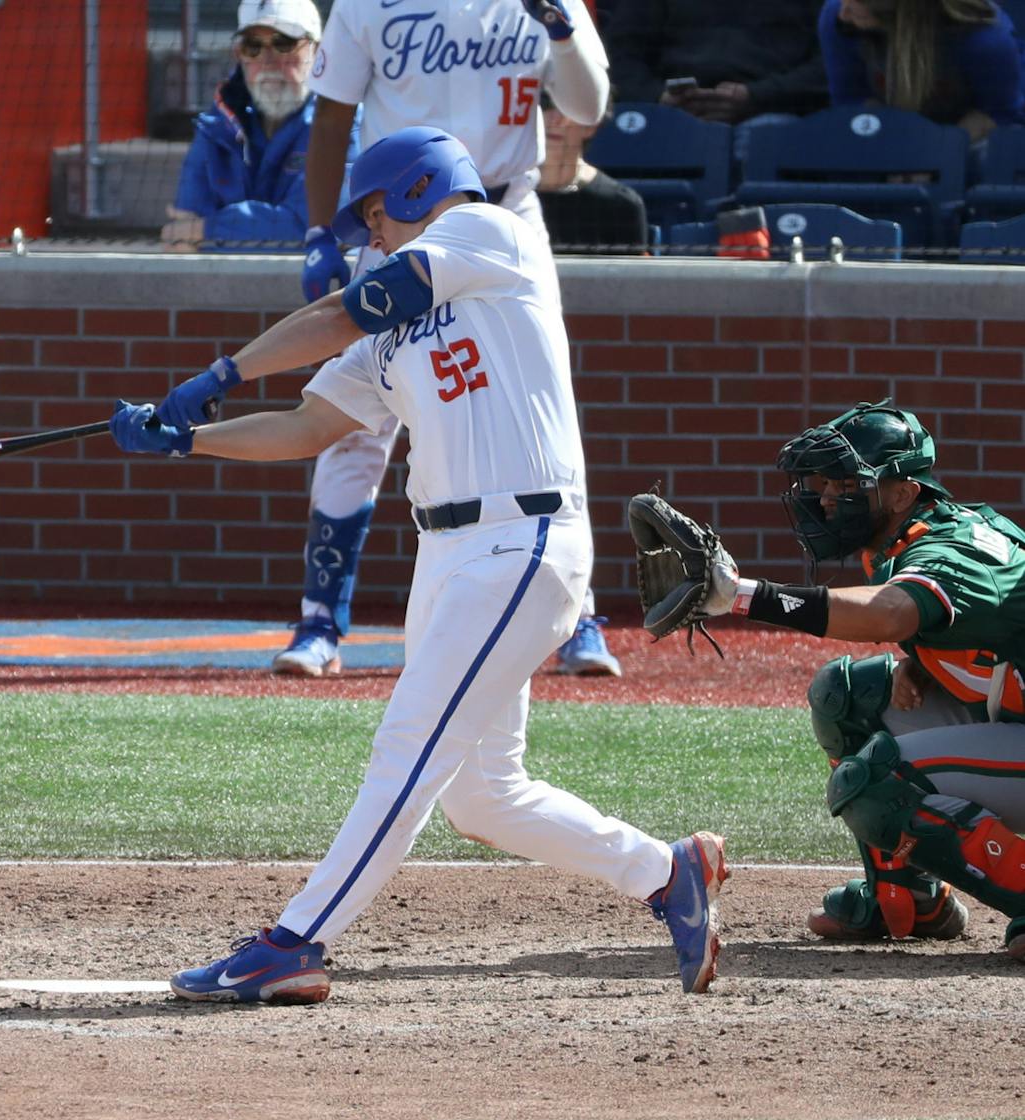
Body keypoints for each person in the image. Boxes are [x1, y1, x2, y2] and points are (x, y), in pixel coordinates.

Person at [112, 127, 728, 1002]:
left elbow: (337, 314)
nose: (370, 235)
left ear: (415, 189)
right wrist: (190, 441)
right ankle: (669, 873)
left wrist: (222, 369)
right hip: (446, 553)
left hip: (525, 540)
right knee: (485, 795)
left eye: (375, 213)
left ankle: (296, 941)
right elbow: (307, 428)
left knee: (408, 745)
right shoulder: (389, 330)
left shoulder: (489, 234)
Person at [272, 0, 625, 678]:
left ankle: (575, 611)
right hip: (397, 222)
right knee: (357, 419)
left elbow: (587, 105)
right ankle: (320, 618)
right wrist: (322, 231)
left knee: (541, 402)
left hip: (504, 208)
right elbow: (335, 111)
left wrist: (560, 23)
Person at [681, 400, 1025, 956]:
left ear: (901, 493)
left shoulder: (953, 550)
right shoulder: (910, 536)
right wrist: (928, 655)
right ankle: (909, 899)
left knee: (871, 782)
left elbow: (888, 613)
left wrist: (743, 597)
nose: (824, 499)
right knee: (847, 695)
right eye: (823, 484)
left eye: (844, 485)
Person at [161, 0, 347, 252]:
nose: (268, 62)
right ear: (239, 55)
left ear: (317, 51)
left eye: (284, 44)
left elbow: (316, 227)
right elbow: (181, 234)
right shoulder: (216, 126)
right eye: (253, 47)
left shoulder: (341, 124)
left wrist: (205, 230)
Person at [603, 0, 829, 154]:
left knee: (768, 138)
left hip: (771, 112)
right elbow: (619, 57)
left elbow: (830, 65)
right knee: (631, 133)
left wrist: (757, 96)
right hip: (671, 113)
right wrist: (658, 97)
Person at [818, 0, 1025, 144]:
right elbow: (852, 100)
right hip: (886, 131)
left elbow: (998, 113)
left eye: (856, 5)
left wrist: (934, 152)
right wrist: (894, 148)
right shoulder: (837, 18)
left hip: (964, 135)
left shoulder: (985, 40)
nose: (842, 14)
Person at [537, 96, 651, 253]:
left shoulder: (621, 205)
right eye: (545, 105)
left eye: (569, 109)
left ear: (591, 125)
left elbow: (633, 275)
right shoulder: (501, 191)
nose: (557, 119)